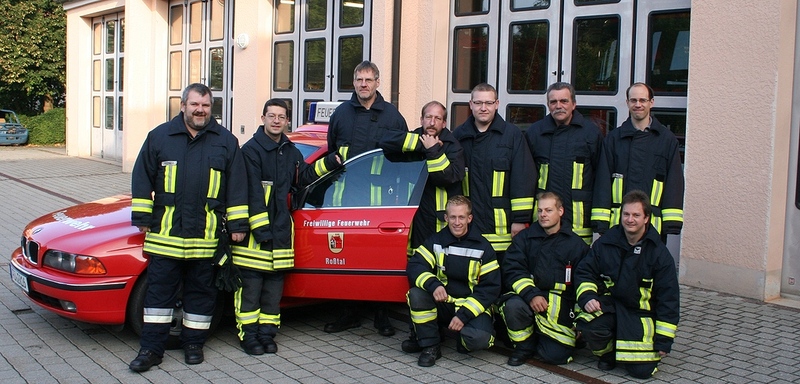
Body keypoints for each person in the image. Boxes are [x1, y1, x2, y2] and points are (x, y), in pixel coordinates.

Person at [128, 83, 249, 372]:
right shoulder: (160, 137)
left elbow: (237, 186)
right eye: (195, 104)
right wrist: (143, 217)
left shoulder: (225, 141)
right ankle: (151, 349)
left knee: (201, 294)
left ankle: (193, 344)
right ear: (183, 105)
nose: (200, 110)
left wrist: (238, 224)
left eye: (206, 106)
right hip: (165, 237)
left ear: (211, 107)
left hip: (205, 239)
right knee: (158, 297)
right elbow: (141, 177)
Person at [232, 99, 341, 355]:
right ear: (263, 118)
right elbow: (251, 195)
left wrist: (330, 164)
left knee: (272, 293)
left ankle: (267, 335)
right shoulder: (251, 151)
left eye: (281, 117)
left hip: (280, 236)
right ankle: (248, 336)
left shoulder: (290, 151)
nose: (277, 121)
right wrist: (261, 231)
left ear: (287, 121)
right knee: (250, 293)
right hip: (255, 239)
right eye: (272, 116)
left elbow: (303, 178)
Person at [324, 60, 409, 337]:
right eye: (359, 80)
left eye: (368, 80)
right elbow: (331, 152)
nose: (363, 84)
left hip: (381, 202)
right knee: (347, 259)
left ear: (378, 83)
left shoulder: (393, 117)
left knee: (379, 260)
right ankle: (347, 313)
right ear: (354, 82)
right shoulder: (341, 114)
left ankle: (381, 316)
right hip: (345, 201)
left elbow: (403, 158)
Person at [379, 101, 465, 354]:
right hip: (416, 224)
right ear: (421, 118)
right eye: (428, 117)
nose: (431, 122)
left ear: (444, 122)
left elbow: (448, 176)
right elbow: (387, 142)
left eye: (437, 118)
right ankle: (418, 332)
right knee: (418, 279)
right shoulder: (415, 138)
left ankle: (438, 332)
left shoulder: (453, 146)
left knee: (442, 279)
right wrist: (421, 143)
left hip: (443, 227)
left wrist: (433, 152)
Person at [575, 190, 679, 379]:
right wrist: (588, 296)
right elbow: (584, 271)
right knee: (590, 326)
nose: (630, 219)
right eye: (626, 214)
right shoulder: (606, 243)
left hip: (640, 314)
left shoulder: (659, 254)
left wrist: (664, 340)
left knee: (641, 373)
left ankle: (635, 354)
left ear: (646, 218)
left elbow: (668, 298)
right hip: (611, 306)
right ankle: (609, 355)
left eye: (636, 215)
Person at [406, 195, 501, 367]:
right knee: (417, 294)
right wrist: (433, 284)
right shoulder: (436, 241)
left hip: (470, 307)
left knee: (479, 340)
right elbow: (415, 265)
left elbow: (490, 288)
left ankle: (460, 338)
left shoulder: (483, 247)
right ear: (446, 218)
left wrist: (464, 315)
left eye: (461, 217)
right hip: (444, 302)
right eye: (453, 217)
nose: (457, 222)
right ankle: (430, 345)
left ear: (469, 218)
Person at [499, 192, 589, 366]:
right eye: (540, 211)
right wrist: (531, 294)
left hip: (561, 305)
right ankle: (524, 347)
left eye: (548, 210)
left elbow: (585, 281)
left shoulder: (575, 245)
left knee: (556, 357)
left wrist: (580, 321)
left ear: (560, 211)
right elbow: (512, 269)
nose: (543, 215)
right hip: (528, 298)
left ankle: (550, 340)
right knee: (512, 306)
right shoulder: (525, 238)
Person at [591, 82, 684, 242]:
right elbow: (602, 182)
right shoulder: (614, 139)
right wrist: (601, 222)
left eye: (642, 100)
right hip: (618, 226)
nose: (638, 104)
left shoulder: (666, 140)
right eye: (633, 100)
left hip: (652, 227)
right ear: (627, 103)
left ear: (651, 102)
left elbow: (674, 183)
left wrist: (671, 223)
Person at [452, 83, 535, 254]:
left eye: (488, 103)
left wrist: (520, 219)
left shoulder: (512, 136)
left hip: (502, 229)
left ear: (497, 104)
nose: (483, 108)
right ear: (470, 104)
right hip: (469, 225)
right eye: (478, 103)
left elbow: (523, 178)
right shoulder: (459, 136)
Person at [525, 82, 603, 245]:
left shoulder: (591, 133)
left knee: (579, 268)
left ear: (574, 104)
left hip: (579, 222)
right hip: (544, 223)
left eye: (564, 101)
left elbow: (600, 177)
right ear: (548, 105)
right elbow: (525, 177)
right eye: (553, 102)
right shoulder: (535, 133)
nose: (558, 106)